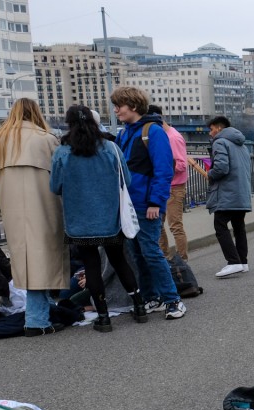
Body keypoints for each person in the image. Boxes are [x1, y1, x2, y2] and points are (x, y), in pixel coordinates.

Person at [50, 104, 147, 332]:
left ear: (69, 123)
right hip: (110, 219)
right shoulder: (111, 148)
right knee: (119, 261)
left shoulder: (62, 152)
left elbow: (55, 186)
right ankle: (140, 306)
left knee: (91, 266)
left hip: (79, 222)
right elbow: (128, 181)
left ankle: (103, 317)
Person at [0, 98, 67, 336]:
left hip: (12, 207)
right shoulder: (47, 138)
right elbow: (60, 174)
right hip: (44, 204)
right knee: (45, 257)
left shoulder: (1, 141)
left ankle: (38, 316)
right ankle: (37, 320)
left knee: (24, 259)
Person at [111, 86, 186, 320]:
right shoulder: (125, 134)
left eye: (119, 105)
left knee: (151, 252)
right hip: (129, 205)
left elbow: (164, 170)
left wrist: (156, 202)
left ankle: (173, 300)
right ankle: (152, 296)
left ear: (133, 105)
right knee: (136, 253)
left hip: (145, 204)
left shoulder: (152, 131)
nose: (116, 110)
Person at [206, 116, 253, 279]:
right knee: (239, 226)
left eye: (211, 129)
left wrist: (210, 173)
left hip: (227, 193)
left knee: (220, 225)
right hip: (241, 193)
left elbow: (221, 168)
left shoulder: (220, 142)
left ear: (219, 128)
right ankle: (243, 262)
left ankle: (233, 262)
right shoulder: (242, 144)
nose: (210, 133)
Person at [148, 105, 189, 262]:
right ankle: (165, 258)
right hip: (164, 186)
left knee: (175, 225)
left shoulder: (173, 137)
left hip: (174, 187)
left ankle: (182, 261)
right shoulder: (162, 135)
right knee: (158, 225)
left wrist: (161, 167)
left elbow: (182, 164)